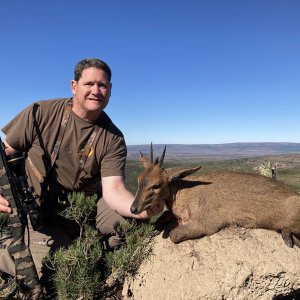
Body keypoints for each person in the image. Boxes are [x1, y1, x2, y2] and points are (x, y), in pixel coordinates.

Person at [0, 58, 164, 288]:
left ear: (110, 90)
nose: (96, 91)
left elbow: (114, 189)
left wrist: (138, 210)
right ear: (74, 86)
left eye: (103, 85)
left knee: (137, 227)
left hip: (86, 207)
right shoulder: (41, 113)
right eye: (89, 84)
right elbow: (6, 150)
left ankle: (87, 245)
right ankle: (6, 250)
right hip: (36, 210)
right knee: (51, 268)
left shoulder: (113, 138)